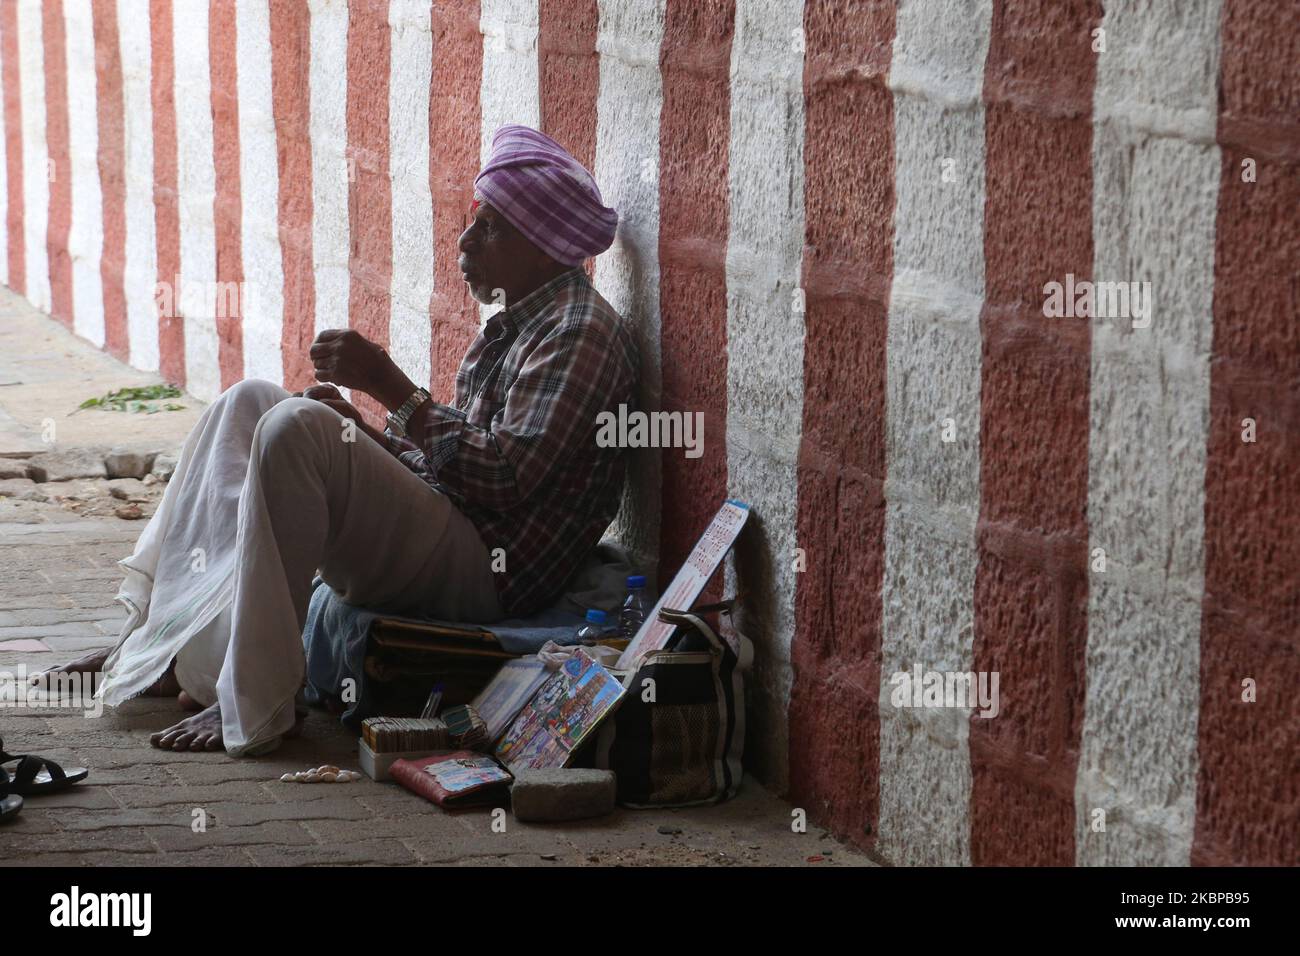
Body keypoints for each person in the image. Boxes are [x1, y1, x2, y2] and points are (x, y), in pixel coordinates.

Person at [34, 125, 637, 756]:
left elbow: (505, 479)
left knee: (297, 429)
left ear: (542, 247)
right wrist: (370, 437)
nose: (464, 243)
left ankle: (263, 702)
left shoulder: (579, 333)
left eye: (489, 230)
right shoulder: (524, 323)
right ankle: (151, 643)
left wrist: (389, 386)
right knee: (251, 402)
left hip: (491, 571)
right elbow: (460, 469)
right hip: (456, 530)